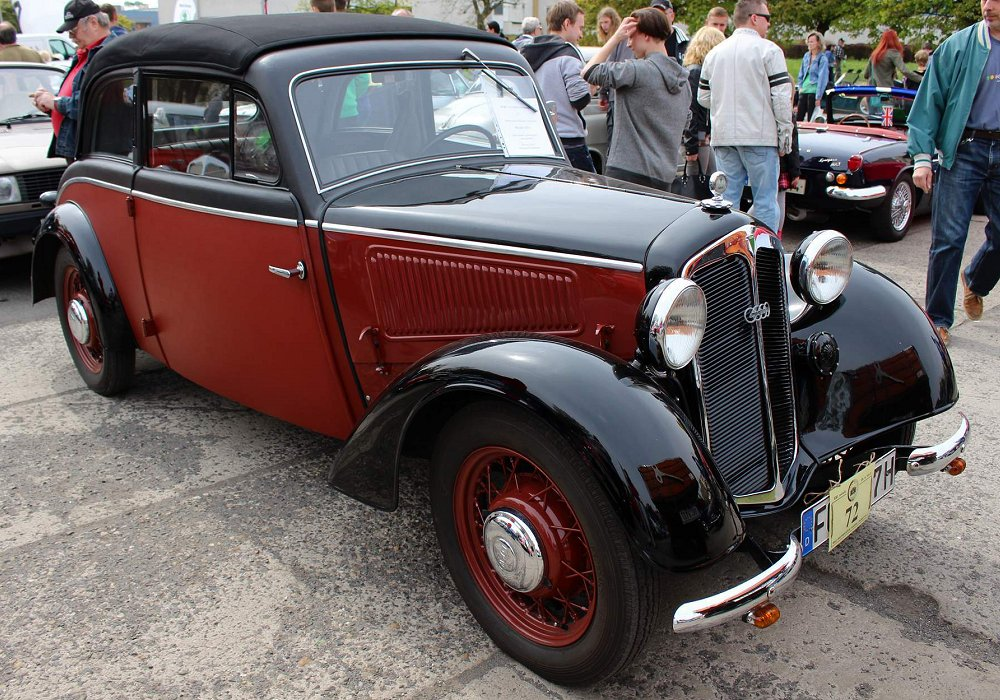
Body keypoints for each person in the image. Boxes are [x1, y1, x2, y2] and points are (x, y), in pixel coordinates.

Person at [907, 0, 1000, 345]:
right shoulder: (959, 46)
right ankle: (938, 319)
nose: (987, 6)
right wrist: (921, 157)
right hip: (965, 149)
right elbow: (929, 100)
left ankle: (975, 280)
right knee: (948, 238)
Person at [698, 0, 792, 234]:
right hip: (760, 136)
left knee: (726, 201)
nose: (769, 23)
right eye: (767, 18)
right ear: (754, 18)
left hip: (724, 136)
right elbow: (781, 97)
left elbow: (703, 97)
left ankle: (727, 254)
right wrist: (784, 134)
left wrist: (725, 105)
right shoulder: (769, 50)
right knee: (765, 202)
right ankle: (764, 256)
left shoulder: (715, 53)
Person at [582, 8, 690, 190]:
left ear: (646, 35)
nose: (628, 44)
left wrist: (615, 38)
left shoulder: (636, 70)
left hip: (626, 171)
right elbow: (685, 123)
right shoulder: (683, 81)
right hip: (664, 176)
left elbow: (588, 71)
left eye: (631, 37)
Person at [29, 1, 113, 160]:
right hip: (81, 150)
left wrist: (55, 102)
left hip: (94, 153)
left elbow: (93, 106)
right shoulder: (87, 53)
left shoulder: (107, 54)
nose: (70, 37)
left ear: (93, 23)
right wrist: (50, 104)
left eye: (73, 31)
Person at [521, 1, 595, 172]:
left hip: (540, 136)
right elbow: (580, 100)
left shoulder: (527, 52)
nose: (581, 34)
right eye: (580, 27)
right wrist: (591, 88)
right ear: (567, 23)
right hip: (570, 139)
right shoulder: (568, 54)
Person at [682, 26, 725, 174]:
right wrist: (691, 146)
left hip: (701, 136)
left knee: (708, 177)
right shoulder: (696, 72)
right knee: (697, 181)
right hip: (698, 138)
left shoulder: (695, 70)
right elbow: (691, 110)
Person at [595, 7, 634, 143]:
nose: (604, 26)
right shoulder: (618, 39)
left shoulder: (618, 40)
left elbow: (608, 68)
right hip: (618, 94)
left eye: (606, 22)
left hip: (616, 95)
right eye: (602, 23)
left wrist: (602, 93)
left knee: (615, 141)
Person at [796, 32, 829, 121]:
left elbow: (822, 78)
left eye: (812, 42)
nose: (810, 44)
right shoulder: (806, 56)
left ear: (818, 43)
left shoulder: (822, 58)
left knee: (811, 117)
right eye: (809, 42)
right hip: (804, 89)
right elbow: (801, 72)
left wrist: (818, 97)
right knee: (799, 117)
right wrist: (800, 87)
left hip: (814, 91)